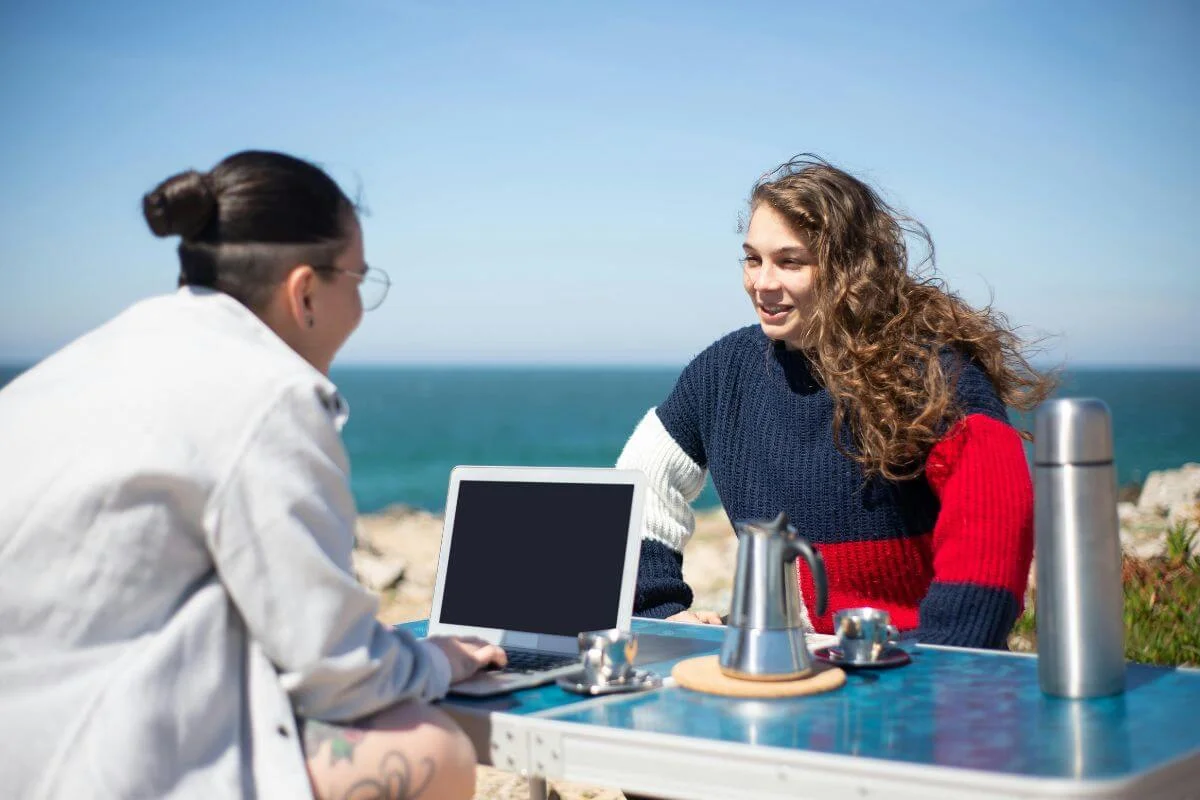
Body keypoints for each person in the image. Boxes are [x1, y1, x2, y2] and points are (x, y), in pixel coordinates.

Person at [0, 150, 506, 799]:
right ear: (305, 293)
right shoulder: (269, 397)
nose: (360, 299)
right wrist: (441, 660)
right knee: (431, 748)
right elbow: (338, 673)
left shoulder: (85, 361)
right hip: (88, 766)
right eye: (359, 278)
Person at [617, 155, 1055, 648]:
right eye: (752, 258)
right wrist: (658, 611)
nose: (762, 282)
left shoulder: (931, 371)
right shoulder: (724, 372)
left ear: (849, 267)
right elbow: (641, 482)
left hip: (905, 673)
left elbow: (995, 522)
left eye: (790, 261)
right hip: (782, 671)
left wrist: (945, 664)